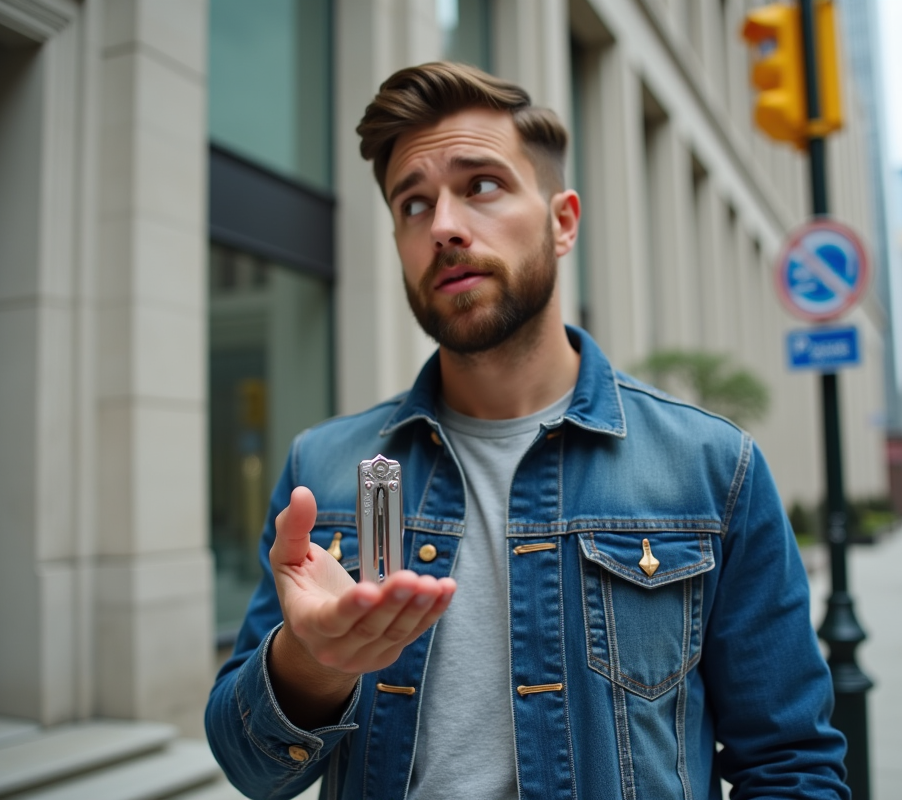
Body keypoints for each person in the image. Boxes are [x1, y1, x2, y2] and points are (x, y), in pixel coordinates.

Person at [205, 62, 848, 800]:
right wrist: (310, 664)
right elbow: (250, 769)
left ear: (562, 221)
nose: (443, 225)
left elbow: (792, 765)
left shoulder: (711, 467)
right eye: (413, 205)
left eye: (481, 185)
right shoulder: (324, 469)